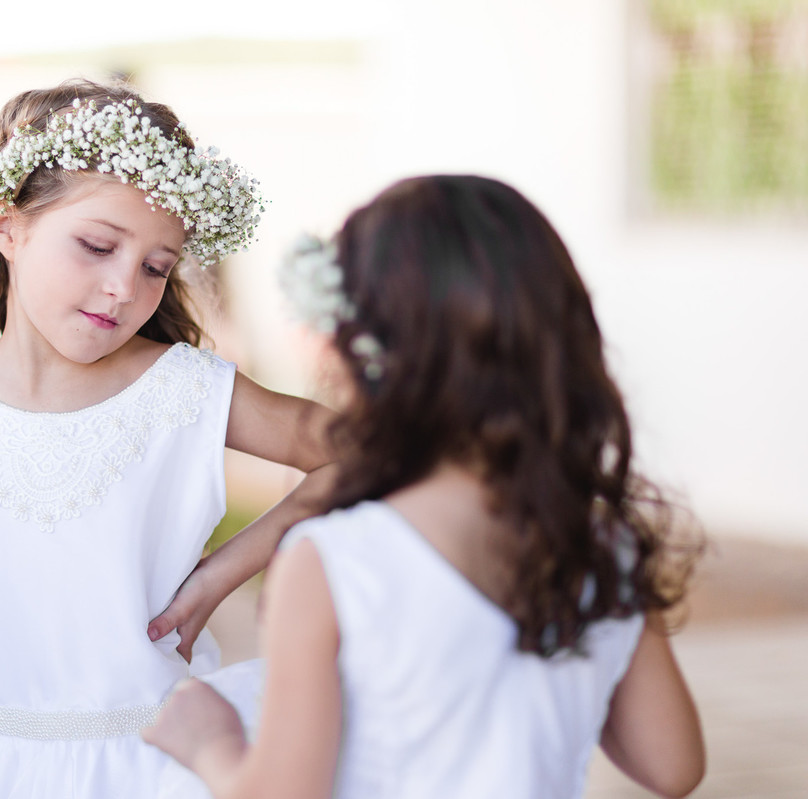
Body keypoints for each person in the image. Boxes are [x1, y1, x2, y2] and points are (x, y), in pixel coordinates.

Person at [142, 175, 707, 799]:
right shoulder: (600, 545)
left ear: (362, 347)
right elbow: (673, 767)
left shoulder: (337, 561)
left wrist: (210, 741)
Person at [0, 79, 334, 798]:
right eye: (98, 246)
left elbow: (360, 455)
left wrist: (220, 574)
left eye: (156, 268)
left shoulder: (185, 390)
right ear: (8, 227)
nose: (123, 288)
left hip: (155, 761)